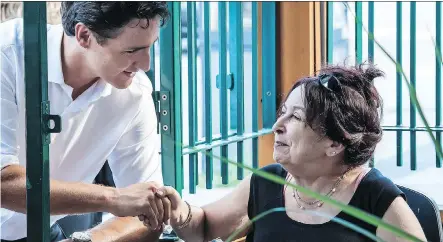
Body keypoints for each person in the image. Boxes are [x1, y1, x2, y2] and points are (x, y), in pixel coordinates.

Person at [153, 64, 428, 241]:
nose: (276, 126)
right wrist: (179, 212)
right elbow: (202, 229)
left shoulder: (375, 198)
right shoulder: (265, 183)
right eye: (282, 113)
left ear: (335, 143)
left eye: (295, 117)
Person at [1, 2, 172, 242]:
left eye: (150, 47)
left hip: (40, 231)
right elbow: (2, 184)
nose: (146, 64)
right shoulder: (7, 55)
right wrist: (113, 199)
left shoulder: (135, 94)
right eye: (132, 51)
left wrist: (83, 240)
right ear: (84, 35)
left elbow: (146, 212)